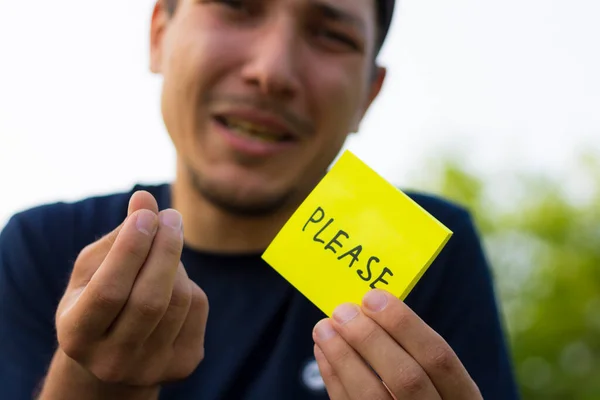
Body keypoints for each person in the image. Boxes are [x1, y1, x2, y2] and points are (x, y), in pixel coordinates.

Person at [0, 0, 520, 398]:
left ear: (368, 94)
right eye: (237, 7)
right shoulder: (41, 246)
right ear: (159, 33)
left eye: (331, 35)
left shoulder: (429, 259)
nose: (272, 71)